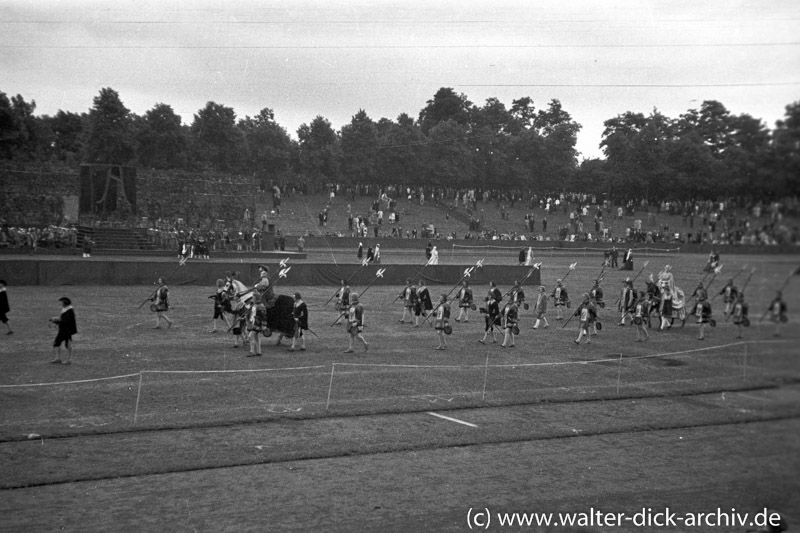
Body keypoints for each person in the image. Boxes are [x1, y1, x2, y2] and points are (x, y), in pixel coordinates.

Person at [50, 296, 77, 364]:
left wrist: (56, 320)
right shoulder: (67, 309)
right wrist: (56, 320)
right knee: (59, 343)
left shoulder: (69, 311)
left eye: (62, 302)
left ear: (65, 303)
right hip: (64, 330)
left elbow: (65, 321)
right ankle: (59, 358)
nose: (61, 304)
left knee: (64, 344)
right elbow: (63, 319)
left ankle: (67, 359)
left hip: (66, 330)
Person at [245, 293, 265, 357]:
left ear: (256, 298)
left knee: (250, 337)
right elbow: (251, 313)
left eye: (253, 297)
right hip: (253, 323)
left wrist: (263, 325)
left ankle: (252, 351)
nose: (252, 298)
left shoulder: (260, 306)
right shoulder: (254, 305)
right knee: (256, 338)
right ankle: (259, 351)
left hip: (257, 324)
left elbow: (263, 316)